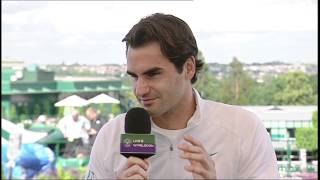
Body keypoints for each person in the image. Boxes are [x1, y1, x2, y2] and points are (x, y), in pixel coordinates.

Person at [87, 13, 279, 179]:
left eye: (153, 74)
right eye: (134, 77)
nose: (140, 89)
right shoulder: (111, 136)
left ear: (188, 68)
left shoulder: (244, 128)